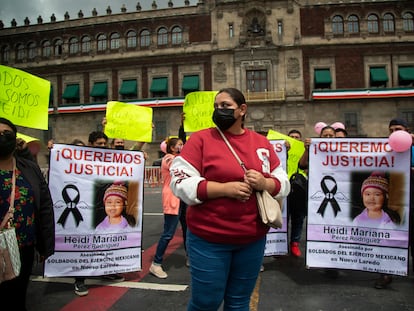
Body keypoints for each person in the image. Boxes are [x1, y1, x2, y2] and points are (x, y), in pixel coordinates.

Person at [169, 88, 290, 310]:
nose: (219, 110)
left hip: (252, 241)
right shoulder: (200, 140)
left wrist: (265, 183)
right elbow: (180, 182)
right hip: (208, 241)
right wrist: (224, 189)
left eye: (225, 106)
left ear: (242, 109)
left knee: (239, 302)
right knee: (206, 302)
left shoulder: (262, 143)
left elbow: (284, 181)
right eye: (216, 106)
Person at [0, 118, 55, 310]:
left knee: (17, 294)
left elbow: (45, 205)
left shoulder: (29, 168)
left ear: (14, 139)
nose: (2, 137)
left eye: (6, 134)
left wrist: (45, 243)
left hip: (23, 247)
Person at [373, 118, 414, 290]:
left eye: (398, 129)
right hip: (394, 202)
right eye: (391, 130)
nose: (394, 132)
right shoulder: (385, 151)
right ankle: (386, 275)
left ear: (406, 130)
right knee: (390, 239)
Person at [149, 137, 185, 278]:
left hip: (183, 198)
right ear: (171, 148)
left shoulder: (179, 157)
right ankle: (156, 264)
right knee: (168, 233)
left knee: (187, 230)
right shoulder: (169, 159)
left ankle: (190, 257)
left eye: (183, 144)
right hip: (172, 198)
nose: (182, 146)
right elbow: (178, 168)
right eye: (180, 145)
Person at [286, 129, 308, 257]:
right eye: (292, 137)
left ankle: (295, 243)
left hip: (300, 189)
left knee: (298, 218)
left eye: (297, 137)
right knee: (283, 218)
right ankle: (281, 244)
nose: (295, 139)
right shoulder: (282, 150)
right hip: (284, 189)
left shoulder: (306, 150)